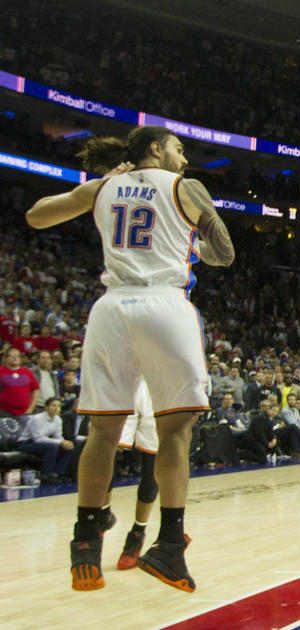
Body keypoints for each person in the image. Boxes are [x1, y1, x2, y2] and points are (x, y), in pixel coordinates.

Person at [26, 125, 235, 592]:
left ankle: (85, 537)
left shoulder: (102, 186)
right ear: (156, 149)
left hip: (111, 308)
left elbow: (37, 216)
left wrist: (104, 187)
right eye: (180, 150)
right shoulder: (187, 187)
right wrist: (193, 245)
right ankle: (169, 546)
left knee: (103, 431)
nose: (186, 159)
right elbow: (225, 253)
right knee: (176, 431)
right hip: (164, 304)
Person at [112, 379, 160, 570]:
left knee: (151, 467)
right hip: (127, 381)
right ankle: (100, 516)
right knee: (108, 451)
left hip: (157, 387)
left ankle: (137, 533)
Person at [17, 397, 73, 482]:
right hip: (26, 443)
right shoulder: (37, 419)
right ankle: (46, 475)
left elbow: (58, 436)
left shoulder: (58, 419)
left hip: (42, 442)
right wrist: (60, 442)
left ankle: (58, 473)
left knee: (69, 447)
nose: (56, 408)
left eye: (58, 406)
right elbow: (38, 439)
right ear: (46, 407)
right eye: (53, 405)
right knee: (53, 447)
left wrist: (64, 442)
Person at [0, 346, 38, 418]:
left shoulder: (27, 371)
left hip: (25, 413)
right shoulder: (1, 371)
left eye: (17, 355)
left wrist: (31, 408)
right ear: (6, 358)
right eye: (12, 355)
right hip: (4, 412)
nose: (15, 358)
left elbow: (35, 390)